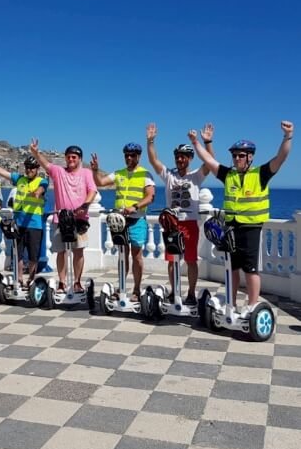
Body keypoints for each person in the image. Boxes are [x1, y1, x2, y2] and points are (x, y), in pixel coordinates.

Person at [190, 120, 294, 315]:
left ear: (250, 157)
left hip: (251, 229)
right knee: (232, 268)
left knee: (251, 269)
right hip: (231, 228)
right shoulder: (228, 175)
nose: (237, 158)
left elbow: (281, 157)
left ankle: (253, 306)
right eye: (234, 155)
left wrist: (287, 136)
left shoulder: (260, 174)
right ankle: (231, 304)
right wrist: (198, 142)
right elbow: (210, 161)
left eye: (241, 155)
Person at [146, 123, 215, 305]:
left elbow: (210, 162)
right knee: (171, 260)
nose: (180, 159)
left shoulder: (196, 176)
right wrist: (150, 141)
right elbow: (154, 161)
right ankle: (174, 290)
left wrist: (207, 142)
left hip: (190, 224)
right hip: (172, 224)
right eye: (178, 157)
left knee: (191, 260)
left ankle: (191, 293)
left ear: (190, 159)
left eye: (184, 157)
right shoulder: (169, 175)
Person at [91, 143, 155, 302]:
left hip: (137, 219)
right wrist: (95, 170)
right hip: (120, 221)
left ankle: (136, 289)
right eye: (126, 155)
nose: (129, 158)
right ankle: (121, 287)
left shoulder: (145, 174)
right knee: (122, 255)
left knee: (137, 255)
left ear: (138, 156)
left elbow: (150, 196)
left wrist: (135, 206)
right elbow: (100, 182)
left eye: (132, 155)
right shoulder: (118, 173)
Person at [30, 140, 97, 292]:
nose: (71, 159)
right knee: (61, 252)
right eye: (68, 157)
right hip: (60, 219)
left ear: (79, 158)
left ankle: (78, 282)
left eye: (74, 157)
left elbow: (92, 190)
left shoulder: (86, 173)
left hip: (79, 220)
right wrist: (35, 152)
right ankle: (62, 282)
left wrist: (85, 205)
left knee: (78, 252)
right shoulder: (59, 172)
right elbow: (45, 164)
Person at [0, 152, 49, 286]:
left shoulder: (41, 180)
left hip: (34, 224)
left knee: (33, 256)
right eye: (27, 167)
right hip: (18, 223)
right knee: (18, 254)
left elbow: (42, 188)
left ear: (37, 169)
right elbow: (3, 173)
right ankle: (19, 279)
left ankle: (31, 280)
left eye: (32, 167)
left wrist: (37, 193)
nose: (29, 170)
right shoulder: (19, 179)